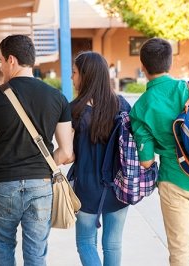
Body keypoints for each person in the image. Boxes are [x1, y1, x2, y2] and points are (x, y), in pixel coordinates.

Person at [0, 34, 74, 266]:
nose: (0, 66)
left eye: (0, 61)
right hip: (40, 185)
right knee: (36, 253)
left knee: (2, 247)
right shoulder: (58, 98)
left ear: (11, 60)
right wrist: (43, 163)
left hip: (3, 185)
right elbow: (66, 152)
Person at [129, 38, 189, 266]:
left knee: (179, 247)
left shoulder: (141, 107)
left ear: (143, 67)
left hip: (173, 180)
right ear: (170, 63)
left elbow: (145, 161)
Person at [70, 51, 130, 266]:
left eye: (74, 73)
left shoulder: (74, 110)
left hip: (86, 189)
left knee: (86, 242)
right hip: (119, 187)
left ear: (86, 76)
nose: (72, 78)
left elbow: (68, 154)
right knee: (113, 243)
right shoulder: (122, 105)